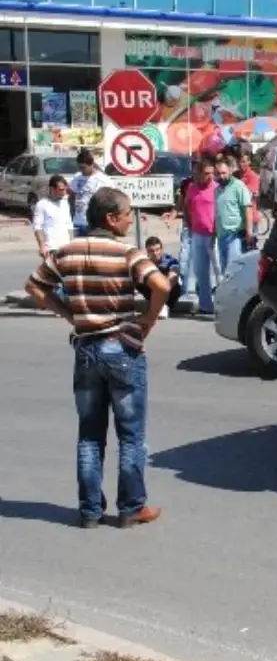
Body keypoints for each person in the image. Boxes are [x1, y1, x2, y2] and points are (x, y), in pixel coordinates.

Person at [23, 187, 170, 529]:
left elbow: (34, 286)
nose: (127, 220)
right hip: (122, 349)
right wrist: (147, 319)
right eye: (125, 214)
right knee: (131, 435)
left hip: (86, 349)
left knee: (90, 434)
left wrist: (69, 314)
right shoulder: (127, 253)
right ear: (110, 218)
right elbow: (161, 286)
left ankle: (90, 511)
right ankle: (132, 507)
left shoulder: (66, 253)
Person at [183, 159, 218, 314]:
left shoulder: (217, 188)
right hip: (197, 235)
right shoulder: (192, 188)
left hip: (214, 235)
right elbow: (186, 207)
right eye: (206, 173)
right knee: (201, 272)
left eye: (212, 173)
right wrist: (189, 226)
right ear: (198, 173)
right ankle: (205, 305)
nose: (210, 176)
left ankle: (222, 305)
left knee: (219, 271)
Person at [214, 159, 254, 274]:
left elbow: (247, 208)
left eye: (223, 173)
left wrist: (249, 231)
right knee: (225, 269)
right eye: (218, 173)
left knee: (233, 269)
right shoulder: (217, 190)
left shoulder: (238, 186)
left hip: (235, 235)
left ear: (230, 171)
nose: (221, 176)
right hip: (222, 236)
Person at [68, 150, 110, 236]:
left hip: (93, 224)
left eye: (84, 167)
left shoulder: (103, 180)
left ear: (92, 165)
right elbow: (71, 195)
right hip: (78, 222)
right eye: (79, 167)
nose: (81, 170)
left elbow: (112, 199)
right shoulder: (77, 177)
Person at [32, 175, 74, 257]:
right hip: (51, 248)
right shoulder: (42, 204)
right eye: (61, 190)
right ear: (52, 189)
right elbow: (37, 227)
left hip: (66, 247)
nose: (64, 192)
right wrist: (42, 246)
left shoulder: (65, 203)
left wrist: (72, 243)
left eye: (66, 189)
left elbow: (69, 224)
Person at [144, 236, 182, 316]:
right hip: (152, 291)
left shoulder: (171, 261)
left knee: (165, 273)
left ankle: (163, 305)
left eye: (157, 250)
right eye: (151, 251)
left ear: (162, 249)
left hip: (168, 293)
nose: (155, 253)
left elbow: (173, 278)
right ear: (147, 251)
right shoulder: (144, 262)